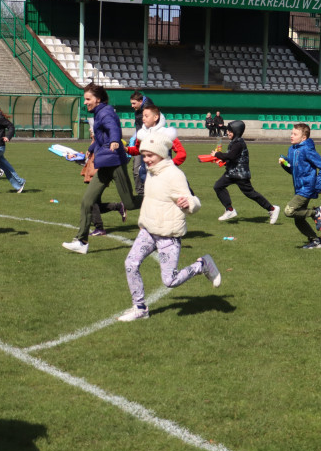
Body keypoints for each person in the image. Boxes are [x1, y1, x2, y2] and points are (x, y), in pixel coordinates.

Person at [118, 132, 222, 321]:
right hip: (149, 230)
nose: (146, 159)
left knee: (170, 281)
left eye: (150, 155)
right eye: (144, 155)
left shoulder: (174, 174)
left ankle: (202, 265)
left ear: (161, 154)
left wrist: (188, 203)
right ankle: (140, 308)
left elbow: (193, 201)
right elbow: (149, 200)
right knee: (130, 264)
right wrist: (143, 223)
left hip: (168, 234)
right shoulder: (151, 172)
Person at [62, 83, 136, 254]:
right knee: (87, 201)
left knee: (130, 203)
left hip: (115, 161)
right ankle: (81, 242)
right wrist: (91, 148)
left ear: (98, 99)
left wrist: (115, 140)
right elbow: (102, 137)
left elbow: (113, 128)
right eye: (84, 99)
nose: (85, 102)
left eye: (88, 99)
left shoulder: (106, 112)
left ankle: (160, 199)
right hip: (104, 163)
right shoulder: (99, 113)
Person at [213, 120, 280, 224]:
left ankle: (272, 209)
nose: (228, 133)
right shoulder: (234, 142)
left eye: (230, 131)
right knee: (218, 186)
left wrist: (218, 154)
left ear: (236, 131)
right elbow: (232, 159)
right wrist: (223, 162)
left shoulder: (238, 143)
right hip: (232, 172)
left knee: (251, 194)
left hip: (240, 175)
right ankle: (229, 210)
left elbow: (231, 156)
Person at [278, 123, 321, 249]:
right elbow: (293, 171)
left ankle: (315, 212)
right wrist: (285, 164)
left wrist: (319, 185)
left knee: (289, 211)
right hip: (298, 188)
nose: (291, 136)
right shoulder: (292, 149)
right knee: (298, 219)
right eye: (291, 133)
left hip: (307, 187)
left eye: (295, 134)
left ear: (303, 138)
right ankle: (316, 240)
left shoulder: (307, 149)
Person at [126, 104, 187, 195]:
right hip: (146, 175)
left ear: (155, 117)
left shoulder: (166, 133)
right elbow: (137, 150)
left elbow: (182, 153)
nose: (143, 118)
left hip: (165, 177)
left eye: (146, 116)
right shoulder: (141, 134)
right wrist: (126, 149)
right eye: (143, 116)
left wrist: (170, 165)